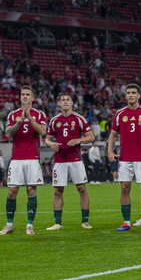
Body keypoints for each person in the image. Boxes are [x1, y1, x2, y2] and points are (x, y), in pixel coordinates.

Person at [0, 86, 47, 236]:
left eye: (27, 95)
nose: (24, 97)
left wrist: (29, 118)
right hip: (16, 158)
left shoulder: (39, 114)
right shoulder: (13, 115)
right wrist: (20, 121)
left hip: (33, 158)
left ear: (33, 98)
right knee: (12, 191)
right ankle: (9, 225)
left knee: (31, 191)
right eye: (22, 94)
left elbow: (43, 132)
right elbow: (7, 134)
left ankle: (29, 225)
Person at [108, 84, 141, 231]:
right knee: (124, 188)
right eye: (128, 93)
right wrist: (110, 151)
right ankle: (126, 223)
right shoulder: (120, 113)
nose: (130, 95)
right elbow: (113, 134)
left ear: (139, 96)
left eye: (133, 93)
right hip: (125, 158)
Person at [45, 93, 95, 230]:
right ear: (59, 103)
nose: (65, 102)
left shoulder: (79, 119)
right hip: (59, 160)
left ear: (72, 102)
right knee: (57, 191)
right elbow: (47, 139)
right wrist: (50, 144)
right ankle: (57, 223)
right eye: (63, 100)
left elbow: (91, 137)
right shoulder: (55, 120)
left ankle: (85, 221)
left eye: (68, 100)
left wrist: (79, 140)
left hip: (76, 159)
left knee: (82, 189)